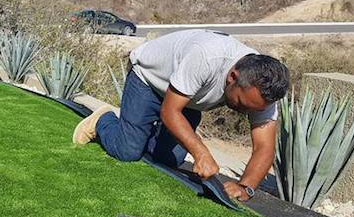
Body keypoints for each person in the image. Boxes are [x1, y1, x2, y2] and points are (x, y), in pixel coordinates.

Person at [73, 29, 289, 202]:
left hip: (188, 99)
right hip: (150, 80)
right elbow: (170, 111)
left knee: (169, 159)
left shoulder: (264, 91)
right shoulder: (206, 57)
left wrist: (245, 187)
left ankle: (138, 131)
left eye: (255, 109)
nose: (248, 112)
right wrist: (201, 153)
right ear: (233, 77)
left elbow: (264, 147)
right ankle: (104, 120)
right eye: (243, 104)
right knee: (127, 150)